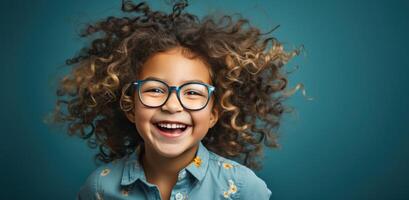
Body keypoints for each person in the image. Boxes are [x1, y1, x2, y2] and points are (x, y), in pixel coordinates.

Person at [46, 0, 309, 199]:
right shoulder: (99, 188)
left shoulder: (244, 189)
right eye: (155, 90)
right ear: (130, 106)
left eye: (193, 92)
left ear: (214, 113)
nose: (172, 106)